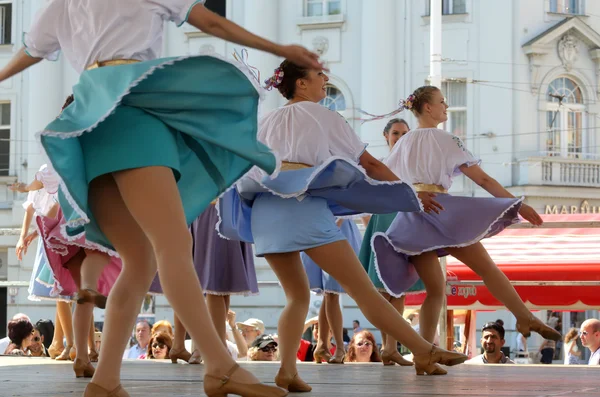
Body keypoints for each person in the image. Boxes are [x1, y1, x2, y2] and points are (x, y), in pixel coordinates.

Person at [0, 1, 322, 395]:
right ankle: (219, 366)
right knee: (171, 244)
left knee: (140, 258)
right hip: (134, 111)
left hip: (92, 119)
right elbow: (210, 21)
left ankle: (105, 381)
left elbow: (30, 52)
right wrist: (279, 48)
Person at [219, 61, 467, 392]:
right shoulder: (324, 116)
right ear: (301, 84)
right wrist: (409, 193)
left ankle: (288, 370)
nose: (325, 80)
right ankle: (424, 350)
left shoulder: (268, 119)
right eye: (319, 76)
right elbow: (371, 164)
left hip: (266, 207)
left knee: (296, 296)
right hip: (300, 203)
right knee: (362, 289)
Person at [372, 85, 562, 345]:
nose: (446, 106)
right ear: (428, 108)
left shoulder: (403, 142)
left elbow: (386, 180)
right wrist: (516, 204)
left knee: (436, 290)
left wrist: (413, 196)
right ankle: (523, 315)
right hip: (441, 211)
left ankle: (424, 353)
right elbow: (482, 179)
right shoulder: (446, 139)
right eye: (442, 102)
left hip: (413, 216)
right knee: (485, 268)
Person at [149, 201, 258, 365]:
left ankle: (189, 344)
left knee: (218, 280)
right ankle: (214, 346)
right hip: (213, 207)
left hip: (209, 206)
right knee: (213, 280)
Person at [359, 118, 423, 366]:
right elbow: (365, 197)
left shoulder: (412, 166)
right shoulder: (380, 165)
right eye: (395, 133)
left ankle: (390, 347)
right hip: (382, 226)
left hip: (405, 224)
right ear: (386, 136)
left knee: (399, 289)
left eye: (404, 133)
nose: (400, 137)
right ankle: (388, 347)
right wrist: (370, 227)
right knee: (383, 291)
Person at [301, 218, 363, 364]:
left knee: (329, 293)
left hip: (331, 227)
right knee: (331, 292)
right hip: (330, 228)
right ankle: (338, 346)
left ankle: (323, 345)